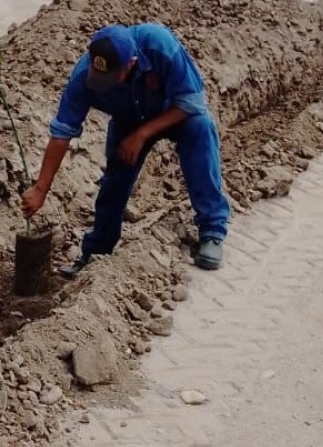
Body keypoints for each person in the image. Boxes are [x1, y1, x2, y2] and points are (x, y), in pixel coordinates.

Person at [21, 23, 230, 278]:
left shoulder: (160, 46)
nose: (102, 84)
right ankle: (96, 252)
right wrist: (41, 188)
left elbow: (192, 103)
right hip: (127, 120)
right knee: (114, 183)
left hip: (174, 113)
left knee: (201, 129)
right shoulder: (84, 76)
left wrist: (142, 135)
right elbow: (62, 132)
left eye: (111, 79)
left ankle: (212, 230)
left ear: (131, 63)